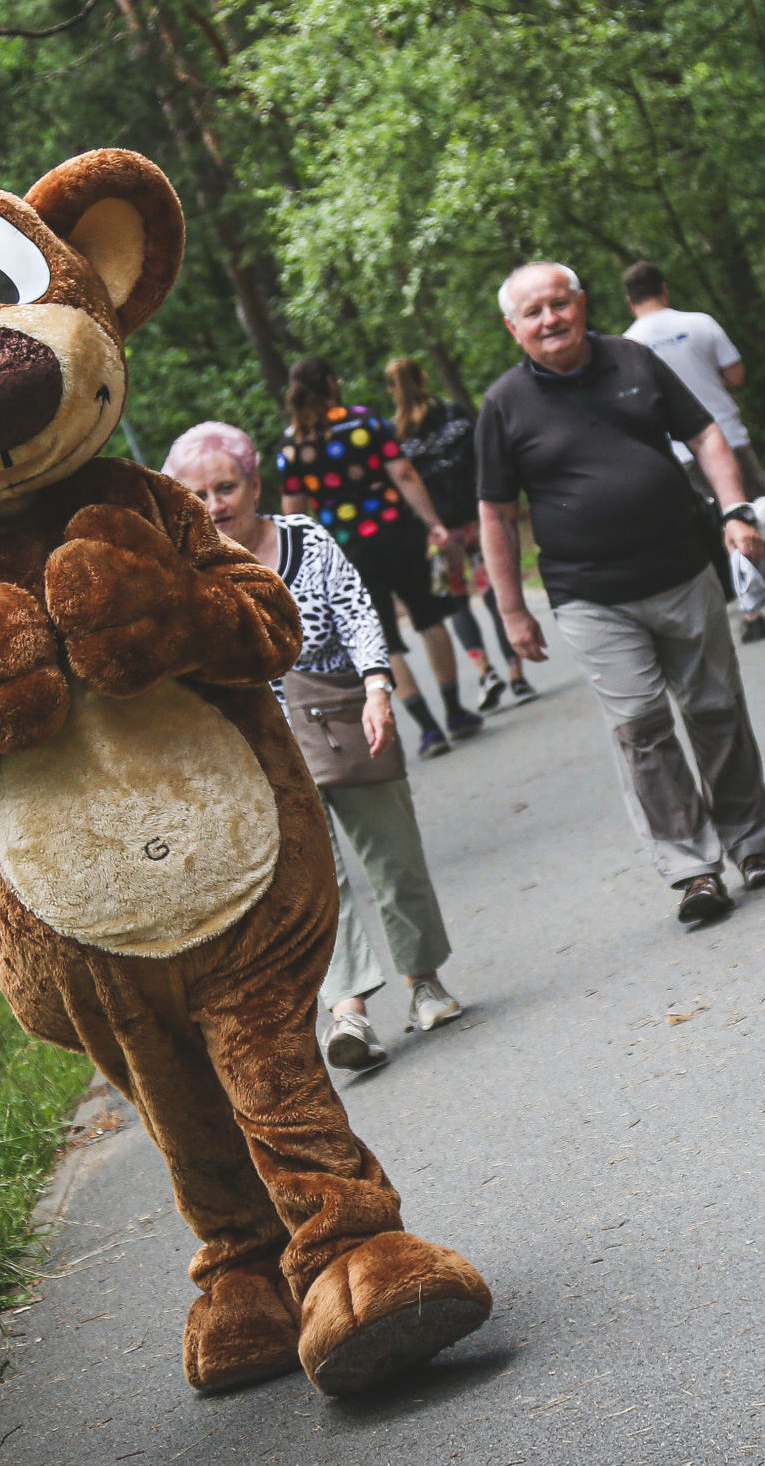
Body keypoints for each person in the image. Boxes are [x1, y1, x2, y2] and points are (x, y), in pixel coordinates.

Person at [477, 261, 765, 927]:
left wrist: (735, 509)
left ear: (583, 304)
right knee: (642, 726)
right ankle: (693, 869)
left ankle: (751, 845)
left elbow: (705, 432)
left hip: (682, 568)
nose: (550, 319)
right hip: (589, 595)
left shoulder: (636, 361)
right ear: (513, 327)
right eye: (533, 313)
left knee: (715, 708)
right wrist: (512, 610)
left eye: (559, 304)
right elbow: (497, 514)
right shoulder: (504, 404)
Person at [166, 421, 465, 1072]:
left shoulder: (305, 537)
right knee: (312, 882)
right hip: (261, 747)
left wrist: (379, 685)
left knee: (396, 859)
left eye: (226, 486)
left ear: (253, 484)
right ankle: (347, 1009)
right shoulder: (184, 571)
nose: (215, 503)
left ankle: (424, 981)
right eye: (199, 493)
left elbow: (357, 609)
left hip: (346, 717)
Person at [276, 356, 484, 757]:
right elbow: (404, 474)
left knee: (384, 638)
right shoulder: (366, 422)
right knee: (429, 617)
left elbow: (294, 510)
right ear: (333, 383)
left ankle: (428, 729)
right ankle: (455, 710)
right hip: (400, 533)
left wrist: (304, 560)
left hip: (348, 550)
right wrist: (434, 522)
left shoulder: (292, 445)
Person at [621, 260, 765, 644]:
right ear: (664, 290)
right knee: (753, 513)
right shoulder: (700, 323)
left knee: (719, 523)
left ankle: (751, 612)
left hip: (679, 453)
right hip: (727, 436)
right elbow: (736, 374)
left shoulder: (628, 346)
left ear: (629, 302)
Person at [385, 356, 535, 706]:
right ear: (424, 378)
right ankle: (516, 674)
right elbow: (484, 461)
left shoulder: (394, 435)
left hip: (438, 534)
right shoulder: (456, 415)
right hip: (477, 521)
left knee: (454, 604)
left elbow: (401, 485)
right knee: (494, 594)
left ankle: (486, 672)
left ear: (393, 390)